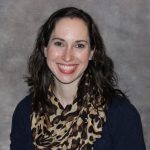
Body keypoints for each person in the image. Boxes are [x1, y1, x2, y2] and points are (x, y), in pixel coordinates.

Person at [10, 7, 146, 150]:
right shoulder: (25, 112)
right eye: (59, 43)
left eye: (79, 45)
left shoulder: (121, 114)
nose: (67, 56)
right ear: (45, 49)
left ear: (92, 53)